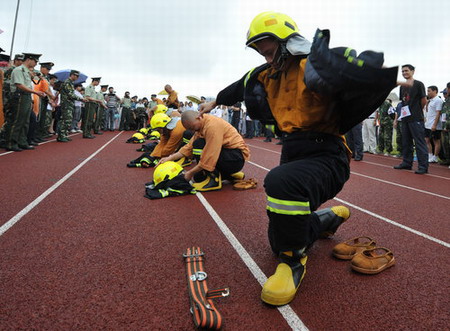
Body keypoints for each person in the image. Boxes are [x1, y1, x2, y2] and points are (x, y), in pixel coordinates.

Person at [195, 12, 397, 305]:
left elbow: (341, 69)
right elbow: (239, 85)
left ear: (287, 42)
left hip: (328, 154)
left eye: (269, 51)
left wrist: (361, 72)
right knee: (279, 238)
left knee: (279, 183)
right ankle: (326, 219)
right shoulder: (264, 75)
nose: (266, 59)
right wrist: (214, 100)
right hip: (293, 151)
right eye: (260, 53)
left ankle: (293, 263)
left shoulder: (312, 66)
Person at [158, 110, 249, 191]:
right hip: (227, 156)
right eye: (190, 129)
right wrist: (169, 158)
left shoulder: (212, 126)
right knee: (198, 177)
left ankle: (215, 181)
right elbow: (188, 147)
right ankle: (230, 175)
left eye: (193, 127)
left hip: (235, 158)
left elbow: (210, 155)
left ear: (199, 117)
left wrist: (189, 173)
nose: (193, 130)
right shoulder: (200, 125)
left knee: (199, 144)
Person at [4, 53, 46, 151]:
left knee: (26, 121)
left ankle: (22, 142)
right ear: (28, 59)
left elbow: (33, 83)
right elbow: (19, 85)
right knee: (17, 120)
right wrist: (35, 92)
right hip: (19, 97)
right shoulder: (19, 70)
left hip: (26, 97)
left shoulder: (27, 71)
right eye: (35, 61)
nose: (36, 64)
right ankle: (11, 143)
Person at [394, 64, 428, 174]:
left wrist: (417, 111)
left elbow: (424, 100)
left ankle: (423, 166)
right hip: (405, 118)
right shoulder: (402, 86)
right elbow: (403, 102)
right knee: (406, 142)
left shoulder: (418, 84)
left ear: (413, 71)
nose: (404, 73)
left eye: (406, 71)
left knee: (419, 142)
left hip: (416, 118)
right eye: (402, 71)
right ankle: (407, 163)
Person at [58, 70, 85, 142]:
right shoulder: (67, 82)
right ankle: (61, 136)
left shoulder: (71, 83)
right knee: (66, 120)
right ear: (72, 75)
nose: (77, 77)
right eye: (76, 76)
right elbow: (71, 95)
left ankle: (64, 134)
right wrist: (81, 99)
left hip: (69, 103)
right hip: (66, 104)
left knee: (68, 120)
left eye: (77, 76)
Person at [424, 86, 443, 163]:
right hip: (427, 124)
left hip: (435, 125)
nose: (428, 92)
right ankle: (430, 155)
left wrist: (435, 125)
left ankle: (435, 157)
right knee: (426, 140)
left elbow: (438, 113)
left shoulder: (438, 101)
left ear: (435, 91)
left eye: (429, 91)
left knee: (436, 141)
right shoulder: (429, 101)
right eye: (427, 91)